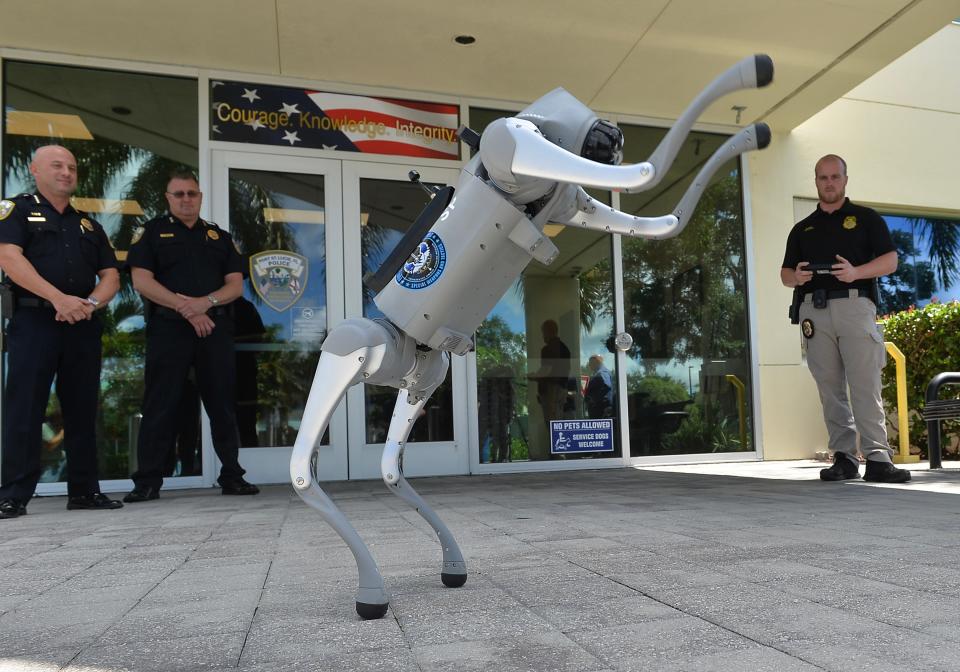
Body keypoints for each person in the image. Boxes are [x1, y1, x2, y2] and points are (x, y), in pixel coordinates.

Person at [0, 145, 123, 518]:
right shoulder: (17, 210)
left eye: (71, 167)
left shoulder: (88, 223)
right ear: (35, 170)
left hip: (82, 325)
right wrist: (59, 299)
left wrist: (88, 305)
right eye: (57, 165)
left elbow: (112, 276)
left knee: (83, 409)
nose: (66, 172)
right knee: (25, 408)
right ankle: (13, 494)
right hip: (35, 321)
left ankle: (84, 491)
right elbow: (8, 257)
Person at [123, 170, 259, 502]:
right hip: (169, 329)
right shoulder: (152, 233)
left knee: (222, 403)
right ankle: (148, 481)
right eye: (179, 194)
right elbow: (142, 281)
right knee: (161, 402)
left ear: (200, 197)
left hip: (214, 330)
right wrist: (187, 309)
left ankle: (231, 475)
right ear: (168, 199)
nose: (186, 199)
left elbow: (234, 285)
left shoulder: (219, 237)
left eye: (192, 194)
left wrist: (205, 304)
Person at [780, 154, 910, 483]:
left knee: (865, 383)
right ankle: (844, 458)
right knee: (829, 387)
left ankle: (878, 458)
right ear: (816, 182)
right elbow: (784, 274)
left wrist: (855, 273)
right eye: (823, 177)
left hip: (855, 306)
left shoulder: (866, 219)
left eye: (835, 176)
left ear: (845, 179)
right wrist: (796, 276)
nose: (829, 183)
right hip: (814, 310)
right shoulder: (802, 228)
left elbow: (891, 261)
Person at [529, 319, 572, 458]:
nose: (543, 336)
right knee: (558, 420)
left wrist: (533, 376)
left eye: (543, 332)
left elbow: (546, 371)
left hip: (551, 390)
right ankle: (559, 451)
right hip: (562, 389)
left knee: (553, 421)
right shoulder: (564, 348)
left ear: (548, 332)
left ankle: (557, 453)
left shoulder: (548, 349)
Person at [584, 354, 614, 419]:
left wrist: (594, 399)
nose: (589, 365)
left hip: (602, 410)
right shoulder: (599, 373)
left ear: (596, 362)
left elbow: (607, 386)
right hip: (600, 409)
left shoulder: (602, 372)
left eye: (590, 363)